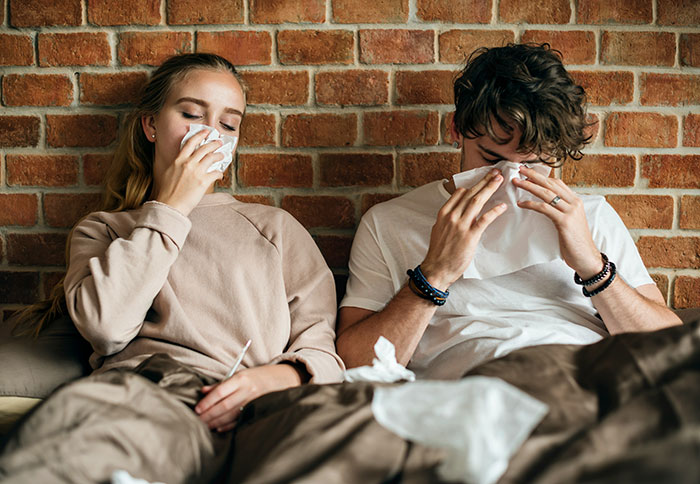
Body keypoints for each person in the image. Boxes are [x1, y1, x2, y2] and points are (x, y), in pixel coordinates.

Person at [0, 53, 344, 483]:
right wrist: (172, 205)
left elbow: (325, 350)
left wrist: (277, 377)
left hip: (263, 404)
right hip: (149, 393)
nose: (209, 134)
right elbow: (106, 327)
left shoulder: (274, 228)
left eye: (228, 124)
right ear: (151, 126)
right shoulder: (105, 230)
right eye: (192, 114)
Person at [336, 43, 682, 379]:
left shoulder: (590, 215)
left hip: (587, 378)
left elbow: (671, 349)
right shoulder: (389, 223)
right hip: (477, 390)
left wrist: (592, 266)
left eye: (534, 164)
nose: (510, 177)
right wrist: (434, 275)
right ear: (457, 129)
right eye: (491, 159)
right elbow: (353, 363)